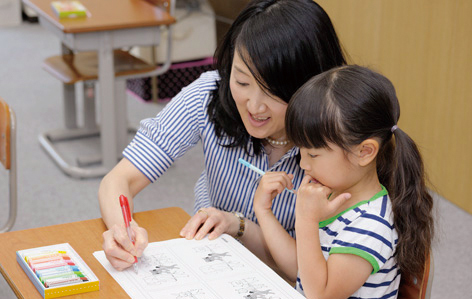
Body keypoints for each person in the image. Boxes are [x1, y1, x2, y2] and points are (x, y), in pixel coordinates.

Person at [99, 0, 346, 270]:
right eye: (242, 81)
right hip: (211, 266)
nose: (254, 106)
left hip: (290, 290)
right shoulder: (210, 94)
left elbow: (314, 274)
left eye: (274, 92)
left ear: (312, 84)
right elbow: (119, 180)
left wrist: (238, 226)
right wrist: (120, 231)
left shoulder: (339, 142)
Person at [253, 65, 435, 299]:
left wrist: (306, 220)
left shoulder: (372, 226)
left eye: (313, 154)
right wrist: (264, 211)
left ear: (364, 152)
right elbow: (303, 271)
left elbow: (318, 298)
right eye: (301, 151)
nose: (303, 164)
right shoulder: (334, 194)